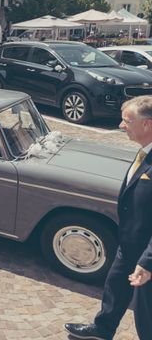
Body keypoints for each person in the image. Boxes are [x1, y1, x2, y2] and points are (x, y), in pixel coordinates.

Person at [65, 96, 152, 340]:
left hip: (147, 253)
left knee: (146, 312)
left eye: (127, 121)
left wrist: (148, 262)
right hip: (129, 243)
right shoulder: (144, 152)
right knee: (115, 287)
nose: (121, 126)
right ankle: (103, 329)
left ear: (147, 125)